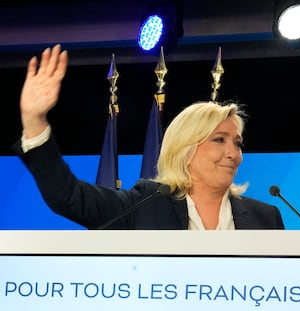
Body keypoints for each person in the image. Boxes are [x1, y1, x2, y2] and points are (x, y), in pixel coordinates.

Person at [14, 44, 285, 230]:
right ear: (186, 148)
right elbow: (69, 197)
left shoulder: (266, 217)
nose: (233, 153)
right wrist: (34, 122)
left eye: (237, 143)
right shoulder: (145, 204)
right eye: (219, 140)